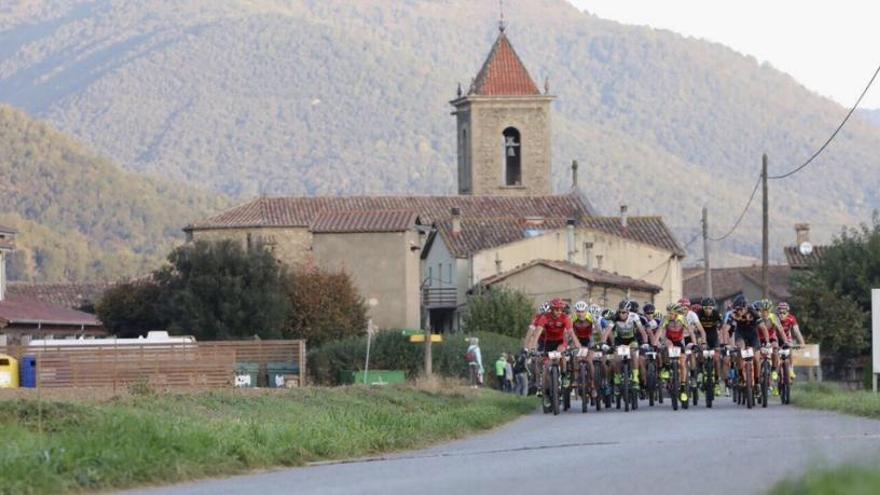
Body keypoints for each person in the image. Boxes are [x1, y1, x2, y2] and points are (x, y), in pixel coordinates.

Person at [603, 299, 649, 392]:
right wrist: (604, 343)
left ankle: (635, 377)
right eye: (620, 312)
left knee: (634, 353)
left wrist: (645, 343)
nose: (621, 314)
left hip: (632, 339)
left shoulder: (634, 316)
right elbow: (607, 332)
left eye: (624, 312)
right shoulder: (615, 317)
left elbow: (642, 331)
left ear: (628, 312)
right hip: (619, 340)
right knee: (616, 358)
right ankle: (617, 378)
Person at [697, 297, 726, 396]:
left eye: (710, 308)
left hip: (713, 336)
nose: (708, 310)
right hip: (702, 335)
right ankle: (700, 372)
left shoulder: (716, 313)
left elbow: (722, 323)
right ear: (702, 308)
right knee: (700, 351)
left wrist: (719, 327)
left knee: (717, 358)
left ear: (713, 308)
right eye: (706, 308)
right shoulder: (699, 313)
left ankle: (717, 382)